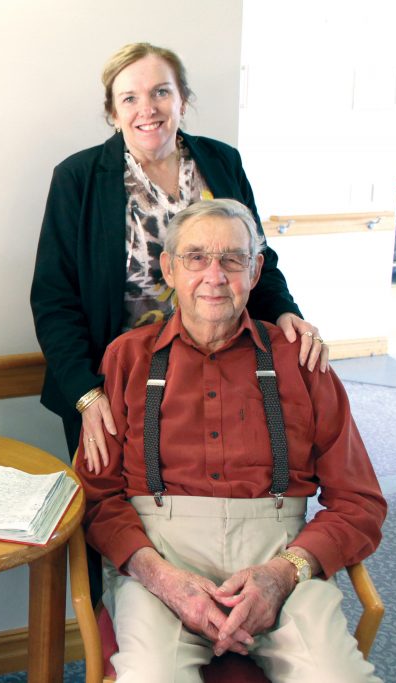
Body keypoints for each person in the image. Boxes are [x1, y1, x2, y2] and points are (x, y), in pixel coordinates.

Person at [79, 199, 386, 682]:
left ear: (256, 269)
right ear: (169, 268)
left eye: (232, 259)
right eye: (196, 257)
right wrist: (163, 579)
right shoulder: (128, 358)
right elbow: (96, 500)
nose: (214, 276)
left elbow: (360, 502)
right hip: (160, 565)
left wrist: (286, 572)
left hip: (282, 559)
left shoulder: (301, 361)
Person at [30, 42, 329, 471]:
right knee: (113, 516)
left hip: (218, 375)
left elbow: (257, 256)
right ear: (112, 112)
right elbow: (53, 298)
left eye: (161, 92)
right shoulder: (77, 178)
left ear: (182, 99)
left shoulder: (222, 162)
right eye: (129, 98)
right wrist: (85, 392)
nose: (146, 109)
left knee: (209, 496)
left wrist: (285, 312)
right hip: (113, 385)